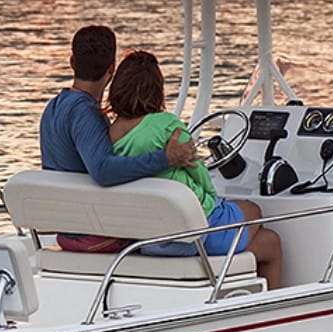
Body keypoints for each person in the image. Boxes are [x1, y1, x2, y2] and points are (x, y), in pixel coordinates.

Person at [107, 50, 283, 287]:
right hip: (194, 235)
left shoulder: (111, 134)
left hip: (148, 239)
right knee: (257, 216)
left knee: (264, 238)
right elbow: (200, 175)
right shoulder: (166, 125)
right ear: (156, 89)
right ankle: (267, 313)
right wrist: (212, 197)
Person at [39, 25, 197, 251]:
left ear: (72, 63)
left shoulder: (53, 108)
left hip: (68, 230)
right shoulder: (85, 114)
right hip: (94, 233)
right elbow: (103, 170)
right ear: (112, 69)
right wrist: (166, 158)